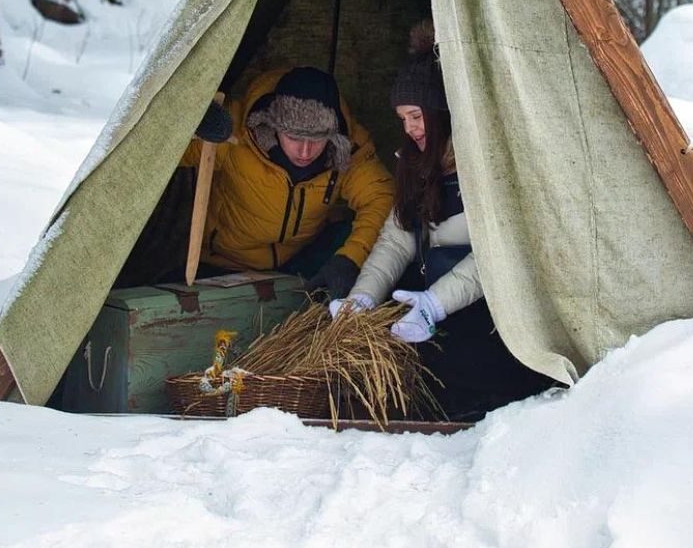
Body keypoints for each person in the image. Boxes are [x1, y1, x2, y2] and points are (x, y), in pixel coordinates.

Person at [328, 25, 553, 420]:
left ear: (442, 112)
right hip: (438, 303)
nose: (410, 128)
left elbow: (499, 254)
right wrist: (363, 299)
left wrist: (436, 303)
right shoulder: (416, 166)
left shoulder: (488, 167)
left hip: (492, 312)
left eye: (416, 116)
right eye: (402, 119)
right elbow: (397, 241)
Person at [184, 66, 394, 297]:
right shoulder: (231, 132)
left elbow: (381, 197)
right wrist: (189, 123)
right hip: (223, 261)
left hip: (300, 260)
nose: (305, 151)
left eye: (317, 139)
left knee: (349, 234)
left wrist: (351, 259)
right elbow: (156, 152)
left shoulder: (349, 148)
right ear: (272, 124)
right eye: (293, 137)